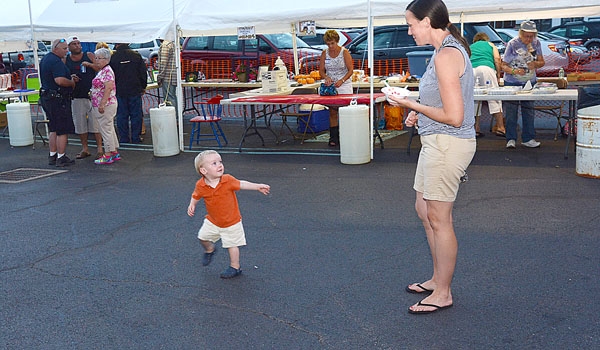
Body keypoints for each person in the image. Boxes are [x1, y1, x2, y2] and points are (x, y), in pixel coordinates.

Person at [387, 0, 476, 314]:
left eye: (411, 24)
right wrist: (419, 115)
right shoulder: (442, 52)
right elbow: (440, 103)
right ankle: (438, 279)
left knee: (440, 219)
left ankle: (443, 293)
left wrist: (411, 106)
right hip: (436, 139)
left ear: (427, 21)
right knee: (424, 209)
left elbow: (454, 116)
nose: (409, 31)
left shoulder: (447, 55)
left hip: (448, 143)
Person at [187, 150, 270, 279]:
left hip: (232, 222)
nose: (219, 165)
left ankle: (235, 267)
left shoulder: (227, 180)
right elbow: (196, 195)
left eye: (220, 162)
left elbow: (242, 183)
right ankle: (210, 249)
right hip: (213, 221)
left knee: (232, 245)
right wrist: (192, 204)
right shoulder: (201, 185)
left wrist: (257, 186)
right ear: (203, 171)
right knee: (202, 237)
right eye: (214, 163)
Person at [501, 20, 545, 149]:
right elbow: (504, 65)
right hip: (512, 81)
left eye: (531, 36)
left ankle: (528, 138)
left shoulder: (536, 43)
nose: (529, 39)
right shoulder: (513, 44)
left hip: (529, 82)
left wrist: (536, 64)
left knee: (529, 110)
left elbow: (541, 62)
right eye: (526, 36)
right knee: (511, 111)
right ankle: (511, 138)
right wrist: (514, 71)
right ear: (520, 33)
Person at [39, 38, 80, 167]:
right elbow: (60, 80)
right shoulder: (56, 61)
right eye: (64, 49)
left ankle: (53, 155)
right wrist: (72, 82)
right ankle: (61, 157)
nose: (67, 51)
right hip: (57, 99)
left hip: (48, 97)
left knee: (54, 128)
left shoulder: (46, 59)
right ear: (55, 49)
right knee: (62, 129)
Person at [65, 36, 104, 160]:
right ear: (69, 47)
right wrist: (71, 77)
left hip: (92, 94)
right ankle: (85, 148)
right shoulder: (67, 59)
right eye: (74, 44)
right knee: (80, 123)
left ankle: (99, 148)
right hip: (76, 95)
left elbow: (99, 68)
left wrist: (90, 65)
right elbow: (64, 73)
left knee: (96, 123)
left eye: (78, 44)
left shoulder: (88, 55)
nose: (77, 46)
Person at [319, 29, 353, 147]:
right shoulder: (325, 53)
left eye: (332, 43)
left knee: (345, 111)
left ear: (337, 41)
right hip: (330, 85)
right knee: (332, 112)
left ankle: (346, 135)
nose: (331, 46)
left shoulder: (344, 52)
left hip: (344, 85)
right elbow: (321, 71)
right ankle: (333, 137)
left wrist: (342, 80)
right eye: (328, 44)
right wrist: (326, 77)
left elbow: (350, 70)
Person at [109, 43, 147, 144]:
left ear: (117, 45)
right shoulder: (136, 55)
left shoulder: (113, 57)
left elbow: (111, 75)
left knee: (121, 115)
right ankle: (136, 137)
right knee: (136, 115)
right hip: (134, 88)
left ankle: (124, 138)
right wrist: (143, 86)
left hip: (120, 90)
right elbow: (143, 72)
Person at [470, 32, 506, 138]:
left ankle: (475, 129)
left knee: (474, 99)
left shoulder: (470, 47)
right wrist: (498, 74)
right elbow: (497, 59)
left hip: (472, 70)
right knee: (494, 96)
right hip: (486, 69)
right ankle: (500, 127)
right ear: (486, 39)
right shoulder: (490, 45)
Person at [90, 48, 120, 165]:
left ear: (106, 59)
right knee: (109, 127)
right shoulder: (104, 70)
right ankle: (113, 151)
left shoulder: (106, 71)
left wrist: (102, 103)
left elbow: (108, 88)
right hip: (106, 103)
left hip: (105, 105)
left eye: (99, 58)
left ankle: (107, 154)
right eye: (95, 58)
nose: (96, 60)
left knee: (105, 129)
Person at [156, 37, 178, 115]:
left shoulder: (165, 45)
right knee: (172, 97)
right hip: (173, 76)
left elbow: (163, 63)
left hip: (167, 77)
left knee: (169, 99)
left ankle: (173, 119)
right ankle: (176, 118)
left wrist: (159, 77)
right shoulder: (172, 43)